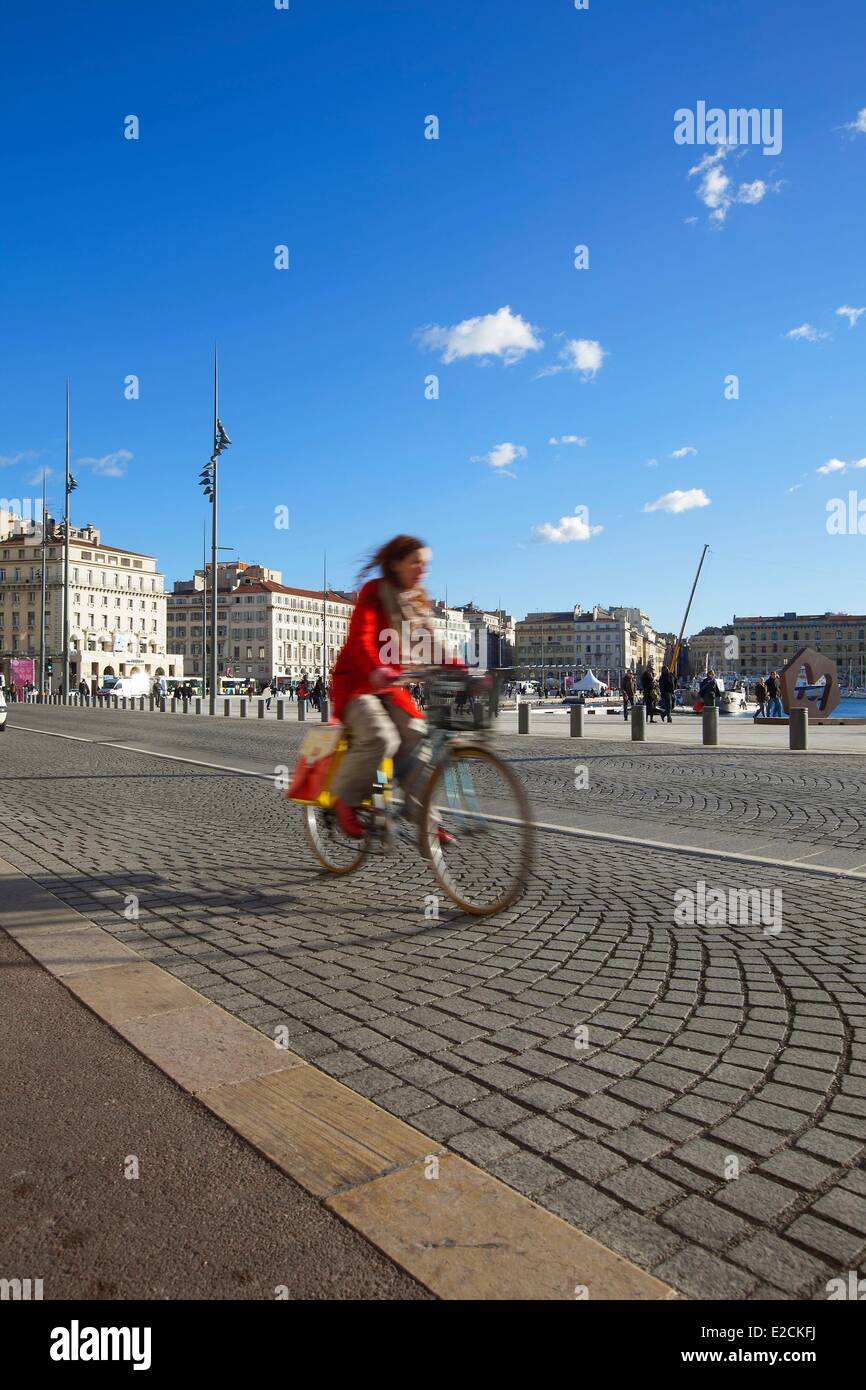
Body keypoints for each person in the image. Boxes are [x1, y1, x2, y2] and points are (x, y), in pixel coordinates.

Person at [329, 534, 436, 839]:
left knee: (416, 735)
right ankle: (345, 800)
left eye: (425, 564)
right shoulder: (374, 592)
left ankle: (425, 818)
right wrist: (376, 667)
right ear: (395, 564)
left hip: (390, 689)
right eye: (415, 562)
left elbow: (433, 646)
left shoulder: (417, 601)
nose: (422, 569)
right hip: (357, 685)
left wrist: (466, 670)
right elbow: (361, 636)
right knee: (382, 738)